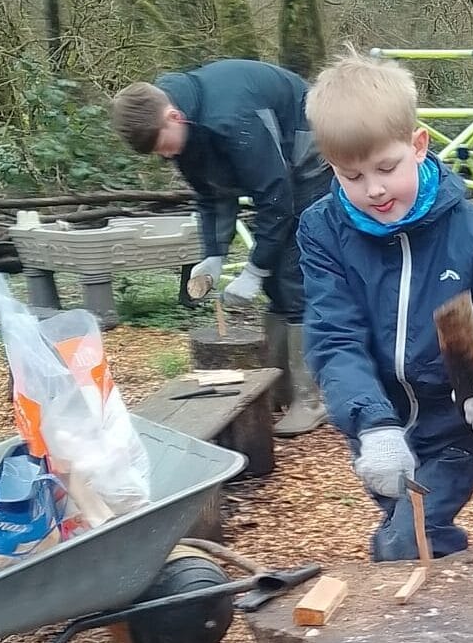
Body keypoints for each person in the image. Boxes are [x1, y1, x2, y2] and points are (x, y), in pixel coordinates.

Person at [296, 51, 473, 563]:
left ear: (418, 145)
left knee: (403, 542)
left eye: (387, 167)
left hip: (456, 426)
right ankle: (445, 599)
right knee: (408, 532)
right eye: (351, 175)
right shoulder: (323, 232)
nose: (374, 189)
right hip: (375, 422)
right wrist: (372, 424)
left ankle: (431, 617)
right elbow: (335, 338)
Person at [110, 60, 332, 435]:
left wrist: (255, 269)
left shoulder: (230, 119)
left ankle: (311, 400)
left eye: (164, 146)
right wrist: (213, 254)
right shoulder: (181, 127)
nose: (166, 156)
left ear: (174, 116)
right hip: (273, 167)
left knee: (292, 276)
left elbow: (275, 197)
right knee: (278, 284)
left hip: (309, 150)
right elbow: (211, 195)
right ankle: (277, 386)